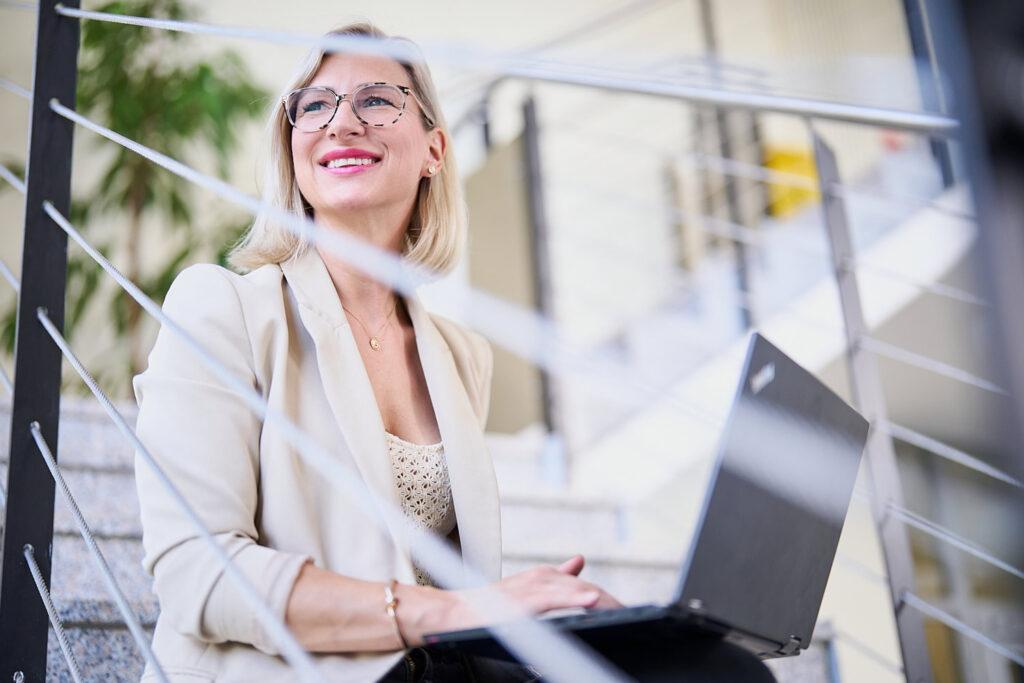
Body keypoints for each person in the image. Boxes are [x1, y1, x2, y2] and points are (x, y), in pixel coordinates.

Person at [133, 21, 621, 683]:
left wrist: (572, 620)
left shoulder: (460, 355)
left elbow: (460, 594)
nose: (341, 124)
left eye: (376, 100)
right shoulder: (223, 308)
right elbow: (198, 571)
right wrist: (442, 611)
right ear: (292, 145)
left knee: (693, 664)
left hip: (439, 666)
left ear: (433, 149)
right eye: (315, 105)